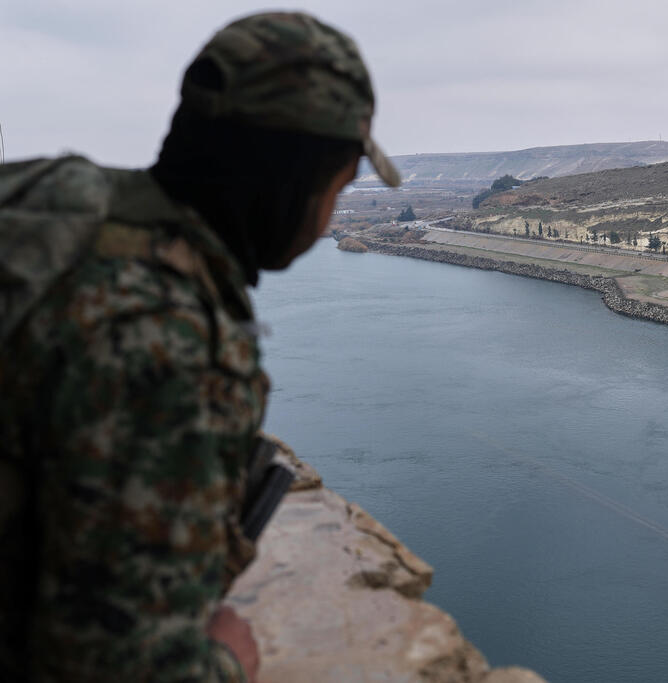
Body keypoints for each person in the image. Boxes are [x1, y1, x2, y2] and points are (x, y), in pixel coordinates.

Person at [0, 12, 399, 682]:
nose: (335, 213)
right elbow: (114, 667)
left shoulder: (48, 200)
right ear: (293, 181)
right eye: (341, 185)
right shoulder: (166, 339)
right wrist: (225, 661)